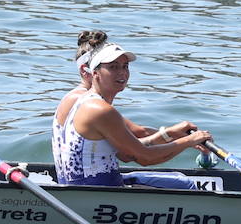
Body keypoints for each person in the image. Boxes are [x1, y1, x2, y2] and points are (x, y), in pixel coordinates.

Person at [54, 41, 212, 188]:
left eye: (125, 66)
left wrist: (169, 134)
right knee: (188, 186)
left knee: (179, 178)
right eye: (113, 67)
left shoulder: (86, 100)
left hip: (90, 188)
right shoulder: (100, 110)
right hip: (98, 195)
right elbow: (145, 158)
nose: (122, 73)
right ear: (95, 73)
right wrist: (189, 141)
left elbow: (125, 155)